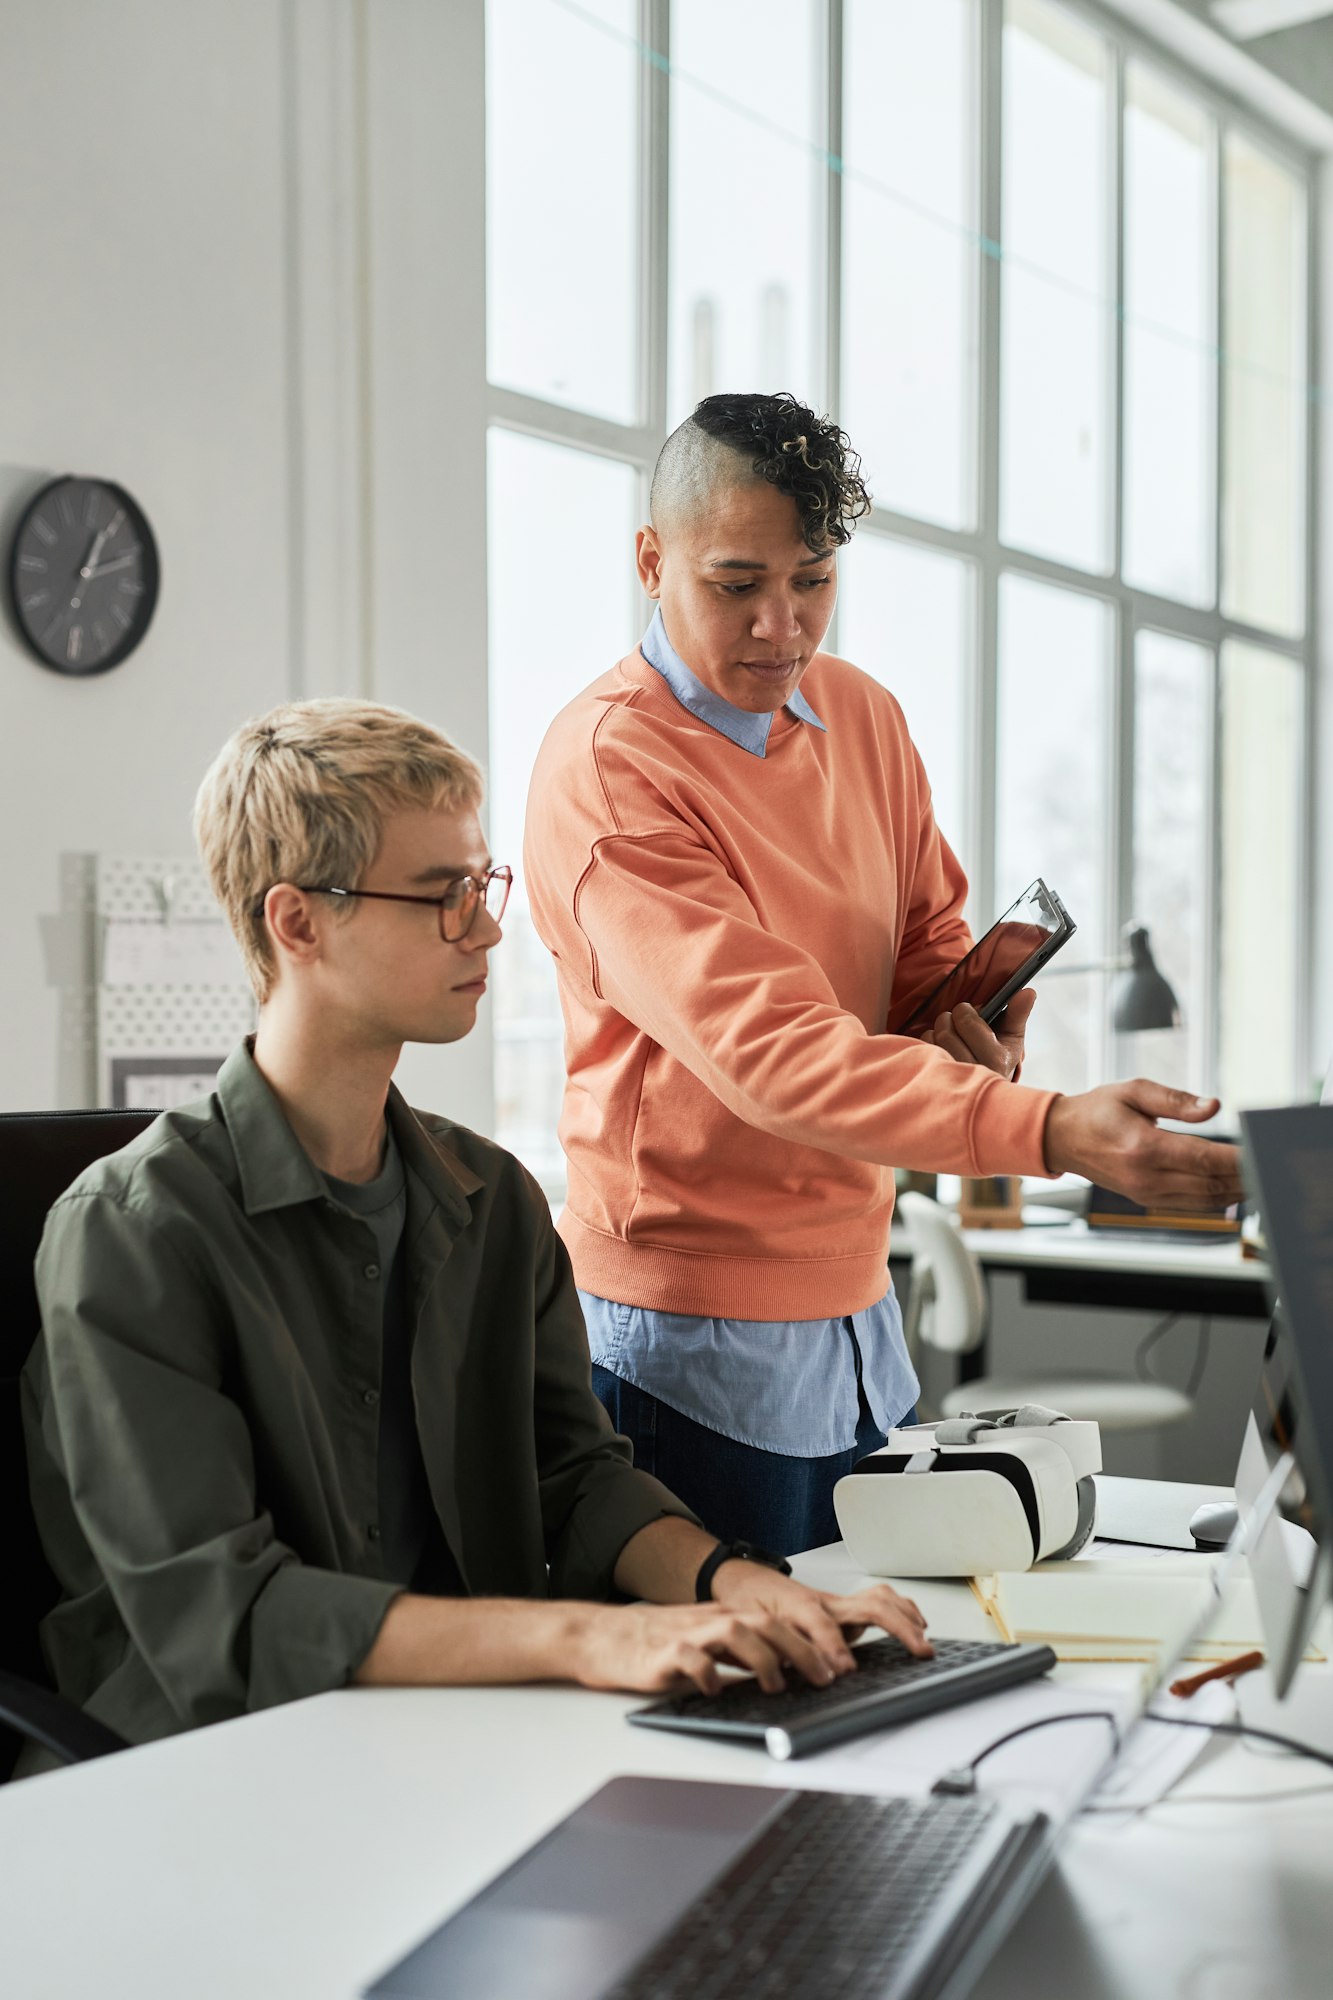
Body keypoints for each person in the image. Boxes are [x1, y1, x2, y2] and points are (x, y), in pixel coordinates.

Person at [19, 698, 929, 1770]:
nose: (487, 926)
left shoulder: (492, 1199)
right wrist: (598, 1635)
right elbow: (225, 1616)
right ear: (297, 922)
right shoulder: (131, 1232)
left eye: (480, 884)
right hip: (208, 1774)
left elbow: (576, 1478)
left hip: (457, 1737)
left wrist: (749, 1588)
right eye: (440, 894)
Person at [523, 390, 1243, 1554]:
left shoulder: (861, 715)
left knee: (878, 1676)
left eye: (812, 579)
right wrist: (1048, 1126)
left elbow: (920, 937)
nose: (782, 625)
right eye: (737, 583)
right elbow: (770, 1050)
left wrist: (974, 1025)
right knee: (730, 1712)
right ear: (651, 561)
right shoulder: (609, 770)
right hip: (683, 1344)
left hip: (861, 1325)